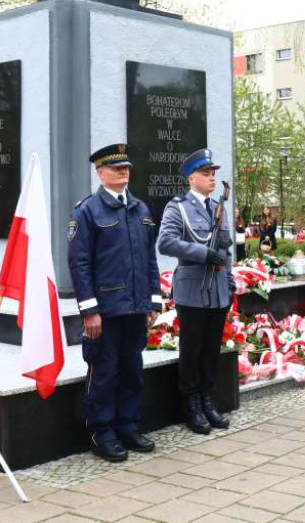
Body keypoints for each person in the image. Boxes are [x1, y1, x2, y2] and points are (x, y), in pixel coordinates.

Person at [67, 144, 162, 462]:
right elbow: (79, 265)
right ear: (100, 172)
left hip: (135, 308)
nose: (124, 172)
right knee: (104, 373)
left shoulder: (140, 209)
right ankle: (102, 433)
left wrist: (153, 301)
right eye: (116, 167)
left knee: (132, 370)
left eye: (126, 167)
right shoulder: (88, 210)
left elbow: (150, 259)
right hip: (105, 312)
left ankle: (128, 426)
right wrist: (90, 311)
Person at [157, 148, 236, 434]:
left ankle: (208, 399)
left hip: (216, 290)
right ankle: (192, 405)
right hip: (192, 290)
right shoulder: (177, 207)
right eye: (206, 174)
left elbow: (225, 250)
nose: (212, 178)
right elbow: (165, 242)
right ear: (192, 179)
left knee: (211, 349)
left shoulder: (218, 207)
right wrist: (203, 253)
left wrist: (228, 282)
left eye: (213, 174)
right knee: (192, 349)